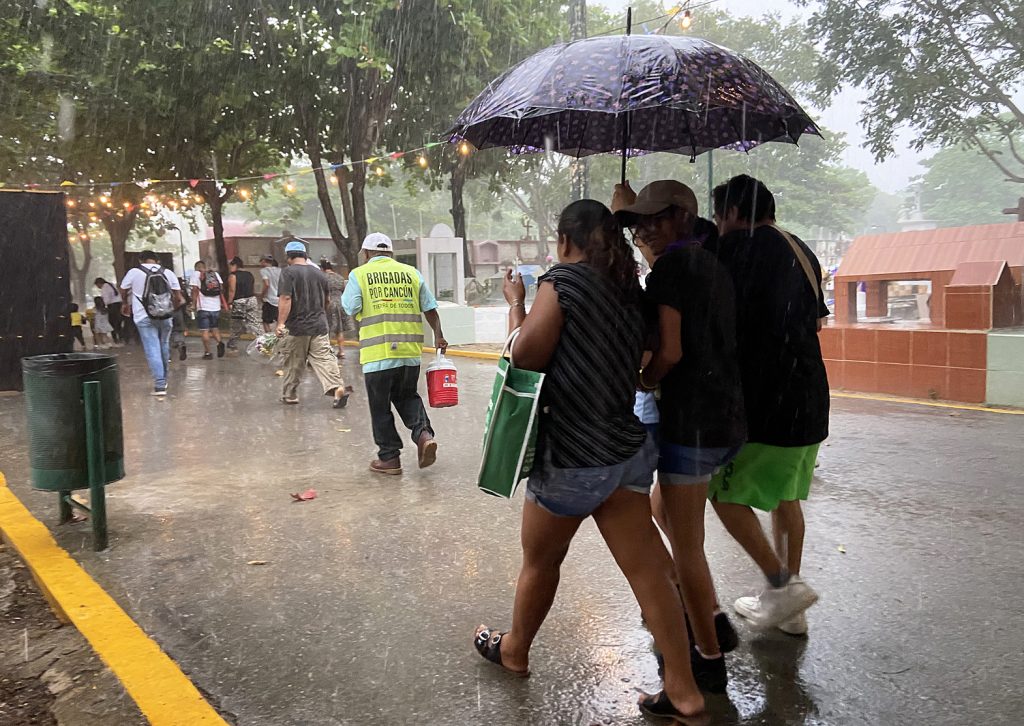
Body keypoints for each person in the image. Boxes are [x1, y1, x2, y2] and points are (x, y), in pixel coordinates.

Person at [471, 200, 704, 722]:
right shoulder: (629, 290)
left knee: (541, 561)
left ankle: (514, 650)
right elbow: (645, 358)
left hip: (572, 456)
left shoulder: (564, 282)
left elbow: (525, 356)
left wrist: (517, 305)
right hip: (624, 452)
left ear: (565, 239)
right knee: (650, 574)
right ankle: (684, 689)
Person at [614, 180, 746, 693]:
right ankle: (706, 612)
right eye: (640, 222)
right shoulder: (712, 264)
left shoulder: (671, 271)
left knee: (688, 547)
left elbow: (669, 352)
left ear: (683, 218)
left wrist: (645, 380)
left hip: (691, 423)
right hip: (726, 419)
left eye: (657, 218)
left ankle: (707, 656)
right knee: (663, 511)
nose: (646, 229)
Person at [707, 174, 829, 633]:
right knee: (785, 497)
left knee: (721, 494)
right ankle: (789, 610)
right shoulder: (801, 249)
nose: (718, 225)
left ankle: (782, 587)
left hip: (764, 406)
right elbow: (815, 324)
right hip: (808, 400)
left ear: (733, 213)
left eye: (719, 216)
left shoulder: (736, 249)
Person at [341, 233, 446, 475]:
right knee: (408, 396)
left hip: (378, 354)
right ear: (390, 252)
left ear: (367, 253)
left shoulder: (359, 274)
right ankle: (424, 435)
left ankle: (389, 458)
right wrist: (439, 336)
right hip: (409, 353)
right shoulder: (411, 273)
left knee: (380, 407)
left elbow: (351, 307)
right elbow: (430, 308)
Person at [275, 239, 351, 409]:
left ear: (288, 256)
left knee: (294, 362)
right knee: (324, 359)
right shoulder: (319, 274)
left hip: (297, 327)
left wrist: (280, 323)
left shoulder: (288, 273)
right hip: (319, 326)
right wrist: (318, 315)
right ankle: (337, 388)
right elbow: (327, 300)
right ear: (305, 255)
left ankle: (290, 394)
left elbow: (286, 298)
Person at [119, 250, 183, 395]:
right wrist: (170, 309)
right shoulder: (168, 273)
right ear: (157, 260)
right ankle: (164, 379)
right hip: (166, 316)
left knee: (152, 348)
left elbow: (123, 289)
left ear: (140, 260)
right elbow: (178, 297)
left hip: (144, 316)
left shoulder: (134, 272)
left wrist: (125, 303)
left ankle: (160, 385)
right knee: (164, 345)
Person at [189, 261, 227, 360]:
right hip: (216, 307)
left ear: (196, 268)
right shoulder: (215, 274)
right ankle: (219, 342)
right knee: (215, 328)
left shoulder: (196, 274)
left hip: (203, 307)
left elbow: (194, 290)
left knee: (204, 331)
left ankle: (208, 353)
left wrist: (193, 304)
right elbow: (221, 289)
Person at [225, 257, 262, 350]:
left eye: (230, 266)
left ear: (235, 265)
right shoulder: (249, 274)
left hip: (239, 301)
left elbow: (232, 290)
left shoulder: (233, 276)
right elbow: (252, 288)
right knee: (254, 322)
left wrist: (229, 302)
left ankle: (232, 343)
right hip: (251, 299)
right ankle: (262, 341)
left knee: (236, 323)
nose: (229, 268)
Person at [320, 259, 349, 358]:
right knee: (339, 329)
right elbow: (344, 290)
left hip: (328, 304)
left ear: (322, 268)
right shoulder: (340, 277)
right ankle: (341, 351)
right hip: (340, 303)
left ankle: (326, 351)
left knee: (326, 329)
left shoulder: (322, 277)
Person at [94, 277, 124, 345]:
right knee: (118, 322)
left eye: (97, 285)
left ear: (99, 283)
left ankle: (115, 339)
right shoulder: (111, 284)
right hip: (118, 305)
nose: (98, 287)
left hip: (112, 306)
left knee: (112, 323)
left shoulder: (105, 287)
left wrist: (101, 306)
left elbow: (106, 299)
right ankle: (121, 337)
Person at [258, 255, 282, 333]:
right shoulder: (280, 270)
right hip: (280, 299)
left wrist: (262, 295)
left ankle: (269, 337)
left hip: (270, 299)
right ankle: (279, 337)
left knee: (266, 321)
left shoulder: (264, 271)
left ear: (264, 261)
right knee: (279, 321)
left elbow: (266, 284)